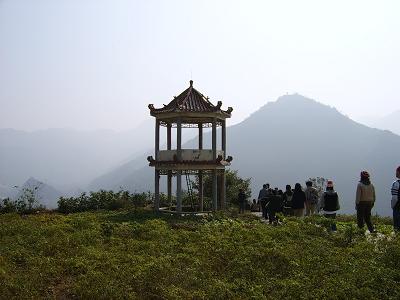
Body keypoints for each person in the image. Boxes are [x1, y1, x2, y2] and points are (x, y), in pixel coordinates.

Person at [391, 166, 400, 231]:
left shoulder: (396, 183)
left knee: (397, 226)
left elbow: (394, 197)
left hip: (397, 206)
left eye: (396, 171)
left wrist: (393, 206)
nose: (395, 173)